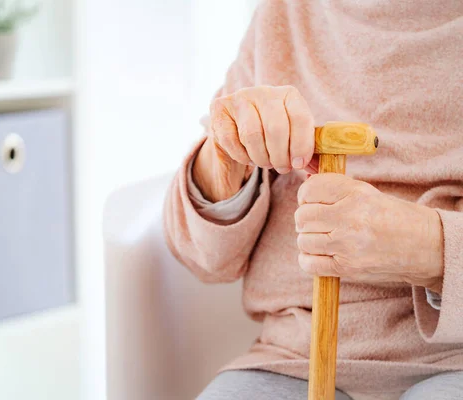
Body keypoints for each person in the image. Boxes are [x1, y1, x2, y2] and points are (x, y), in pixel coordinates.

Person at [163, 1, 463, 399]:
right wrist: (223, 161)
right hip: (288, 361)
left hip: (451, 360)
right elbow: (202, 257)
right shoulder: (284, 12)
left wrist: (429, 247)